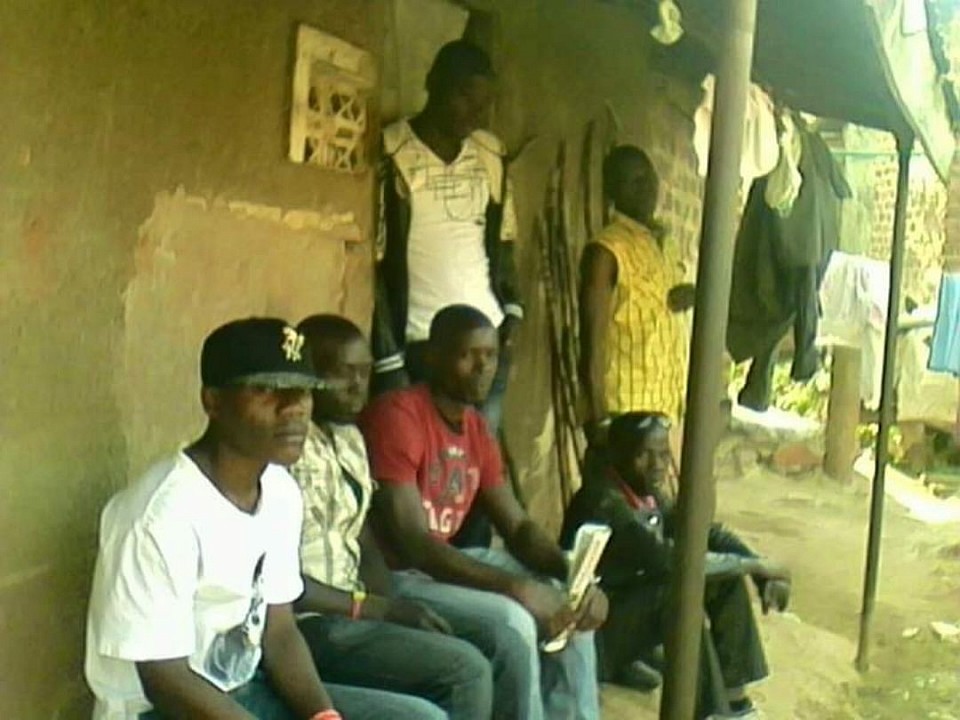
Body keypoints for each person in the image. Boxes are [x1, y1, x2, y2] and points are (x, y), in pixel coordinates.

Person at [83, 317, 428, 720]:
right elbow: (164, 680)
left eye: (303, 391)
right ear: (213, 401)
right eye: (266, 390)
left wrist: (323, 715)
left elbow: (278, 630)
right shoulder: (158, 516)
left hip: (245, 689)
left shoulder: (279, 490)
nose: (293, 407)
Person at [360, 304, 608, 720]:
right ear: (433, 357)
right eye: (468, 355)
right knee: (513, 621)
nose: (483, 368)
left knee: (568, 605)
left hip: (446, 565)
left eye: (490, 355)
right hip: (397, 577)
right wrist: (516, 588)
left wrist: (573, 574)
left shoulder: (476, 428)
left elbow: (519, 526)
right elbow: (415, 543)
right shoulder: (399, 415)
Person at [289, 313, 493, 720]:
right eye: (344, 373)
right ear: (310, 374)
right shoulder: (288, 447)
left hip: (355, 611)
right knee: (465, 671)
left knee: (478, 641)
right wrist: (379, 611)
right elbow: (282, 585)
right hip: (309, 622)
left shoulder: (349, 439)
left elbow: (362, 539)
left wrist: (390, 609)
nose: (358, 386)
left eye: (365, 373)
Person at [372, 39, 524, 547]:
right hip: (422, 341)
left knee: (481, 474)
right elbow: (375, 260)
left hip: (486, 336)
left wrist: (513, 315)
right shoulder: (393, 150)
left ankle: (474, 566)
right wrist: (388, 356)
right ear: (433, 85)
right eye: (464, 97)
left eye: (484, 104)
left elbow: (504, 241)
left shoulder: (489, 155)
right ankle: (427, 573)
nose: (474, 113)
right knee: (423, 473)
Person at [562, 411, 792, 719]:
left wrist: (754, 563)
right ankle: (708, 712)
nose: (657, 464)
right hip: (591, 634)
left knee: (724, 579)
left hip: (621, 615)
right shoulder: (603, 500)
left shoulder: (646, 491)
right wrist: (751, 567)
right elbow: (669, 560)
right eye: (644, 455)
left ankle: (735, 702)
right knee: (678, 597)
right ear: (619, 456)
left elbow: (704, 533)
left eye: (662, 454)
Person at [578, 145, 694, 447]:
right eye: (634, 182)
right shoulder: (607, 250)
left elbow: (659, 305)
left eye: (649, 177)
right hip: (624, 409)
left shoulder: (665, 243)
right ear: (614, 191)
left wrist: (687, 295)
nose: (646, 188)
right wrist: (599, 417)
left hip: (663, 402)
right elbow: (592, 339)